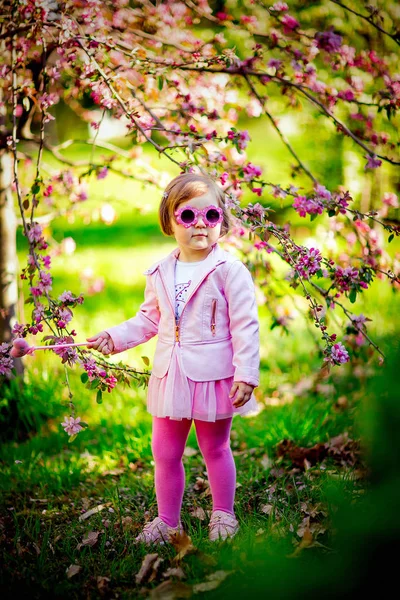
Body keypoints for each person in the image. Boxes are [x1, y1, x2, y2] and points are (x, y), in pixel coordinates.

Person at [86, 172, 260, 545]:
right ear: (170, 221)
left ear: (222, 223)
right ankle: (167, 521)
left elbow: (246, 325)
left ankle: (223, 514)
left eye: (211, 216)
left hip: (213, 374)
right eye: (188, 216)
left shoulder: (229, 272)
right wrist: (113, 338)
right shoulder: (162, 271)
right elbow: (149, 319)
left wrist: (246, 374)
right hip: (171, 375)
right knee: (164, 451)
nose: (200, 224)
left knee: (215, 447)